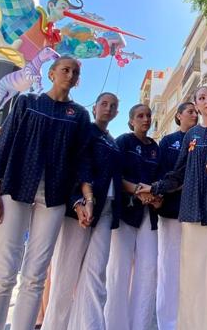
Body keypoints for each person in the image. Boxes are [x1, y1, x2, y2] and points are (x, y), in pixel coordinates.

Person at [0, 56, 91, 330]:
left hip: (53, 197)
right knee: (3, 272)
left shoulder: (79, 114)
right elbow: (2, 145)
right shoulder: (27, 102)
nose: (70, 74)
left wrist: (84, 199)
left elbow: (81, 161)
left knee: (35, 276)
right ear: (52, 73)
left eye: (75, 72)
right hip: (15, 187)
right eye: (65, 69)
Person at [147, 86, 207, 329]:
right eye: (202, 98)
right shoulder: (191, 137)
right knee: (193, 277)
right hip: (192, 215)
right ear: (196, 103)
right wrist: (155, 187)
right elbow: (179, 172)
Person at [42, 92, 122, 330]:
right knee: (65, 277)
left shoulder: (113, 140)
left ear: (117, 112)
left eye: (113, 105)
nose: (108, 108)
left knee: (96, 276)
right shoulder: (84, 130)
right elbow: (72, 166)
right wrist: (78, 201)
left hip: (107, 211)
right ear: (95, 106)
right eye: (104, 104)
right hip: (78, 211)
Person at [104, 103, 162, 330]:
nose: (145, 119)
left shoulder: (156, 148)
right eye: (140, 116)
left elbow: (160, 179)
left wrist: (154, 196)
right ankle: (114, 325)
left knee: (148, 271)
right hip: (125, 214)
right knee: (119, 270)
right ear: (131, 121)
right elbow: (114, 174)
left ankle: (141, 325)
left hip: (149, 214)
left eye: (148, 115)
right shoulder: (123, 142)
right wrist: (139, 190)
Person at [155, 102, 198, 330]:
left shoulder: (201, 138)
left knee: (193, 269)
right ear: (178, 116)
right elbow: (161, 175)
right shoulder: (168, 141)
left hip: (196, 216)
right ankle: (168, 323)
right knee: (168, 269)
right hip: (171, 213)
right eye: (190, 111)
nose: (194, 114)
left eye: (196, 111)